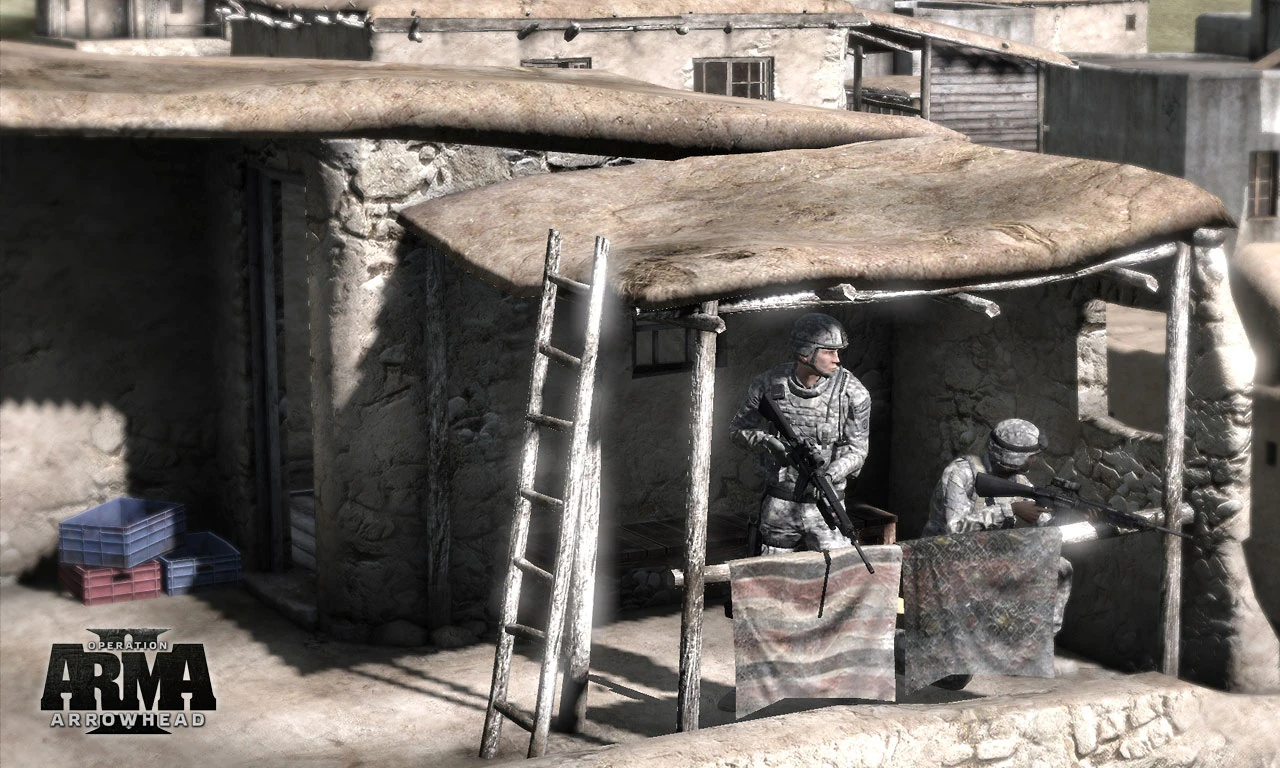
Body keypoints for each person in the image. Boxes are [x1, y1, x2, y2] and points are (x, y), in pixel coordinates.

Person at [729, 313, 872, 555]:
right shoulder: (768, 384)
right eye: (829, 351)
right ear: (805, 353)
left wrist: (831, 474)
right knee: (773, 571)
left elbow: (858, 451)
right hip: (780, 504)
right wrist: (767, 442)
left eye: (838, 352)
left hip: (827, 506)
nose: (837, 359)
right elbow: (737, 431)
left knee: (835, 570)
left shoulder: (852, 393)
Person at [922, 418, 1073, 634]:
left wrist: (1064, 512)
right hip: (947, 561)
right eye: (1031, 455)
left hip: (988, 559)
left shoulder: (1018, 481)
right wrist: (1010, 510)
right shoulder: (961, 474)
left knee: (1060, 568)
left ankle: (1042, 637)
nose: (1034, 460)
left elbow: (1046, 525)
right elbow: (954, 529)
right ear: (1014, 457)